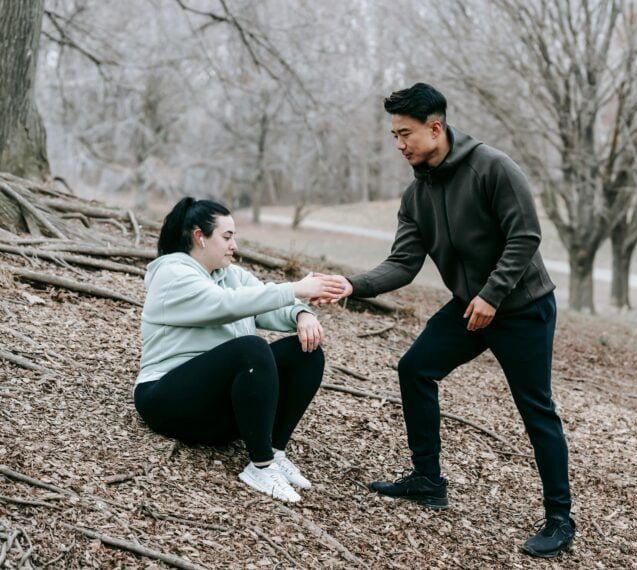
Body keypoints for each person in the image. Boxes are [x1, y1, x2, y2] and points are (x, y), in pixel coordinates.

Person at [327, 83, 574, 557]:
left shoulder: (494, 168)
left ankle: (560, 520)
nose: (399, 145)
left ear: (435, 128)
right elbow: (402, 263)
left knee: (535, 409)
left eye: (406, 134)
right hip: (469, 306)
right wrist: (351, 285)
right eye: (394, 135)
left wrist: (492, 295)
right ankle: (427, 480)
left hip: (523, 308)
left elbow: (525, 236)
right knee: (415, 368)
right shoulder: (417, 195)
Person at [135, 197, 346, 503]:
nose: (234, 245)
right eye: (227, 236)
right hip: (167, 401)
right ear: (199, 237)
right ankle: (259, 467)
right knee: (251, 348)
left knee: (306, 352)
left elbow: (264, 300)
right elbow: (224, 305)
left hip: (214, 411)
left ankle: (273, 452)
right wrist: (296, 289)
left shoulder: (229, 275)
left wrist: (302, 314)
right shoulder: (173, 274)